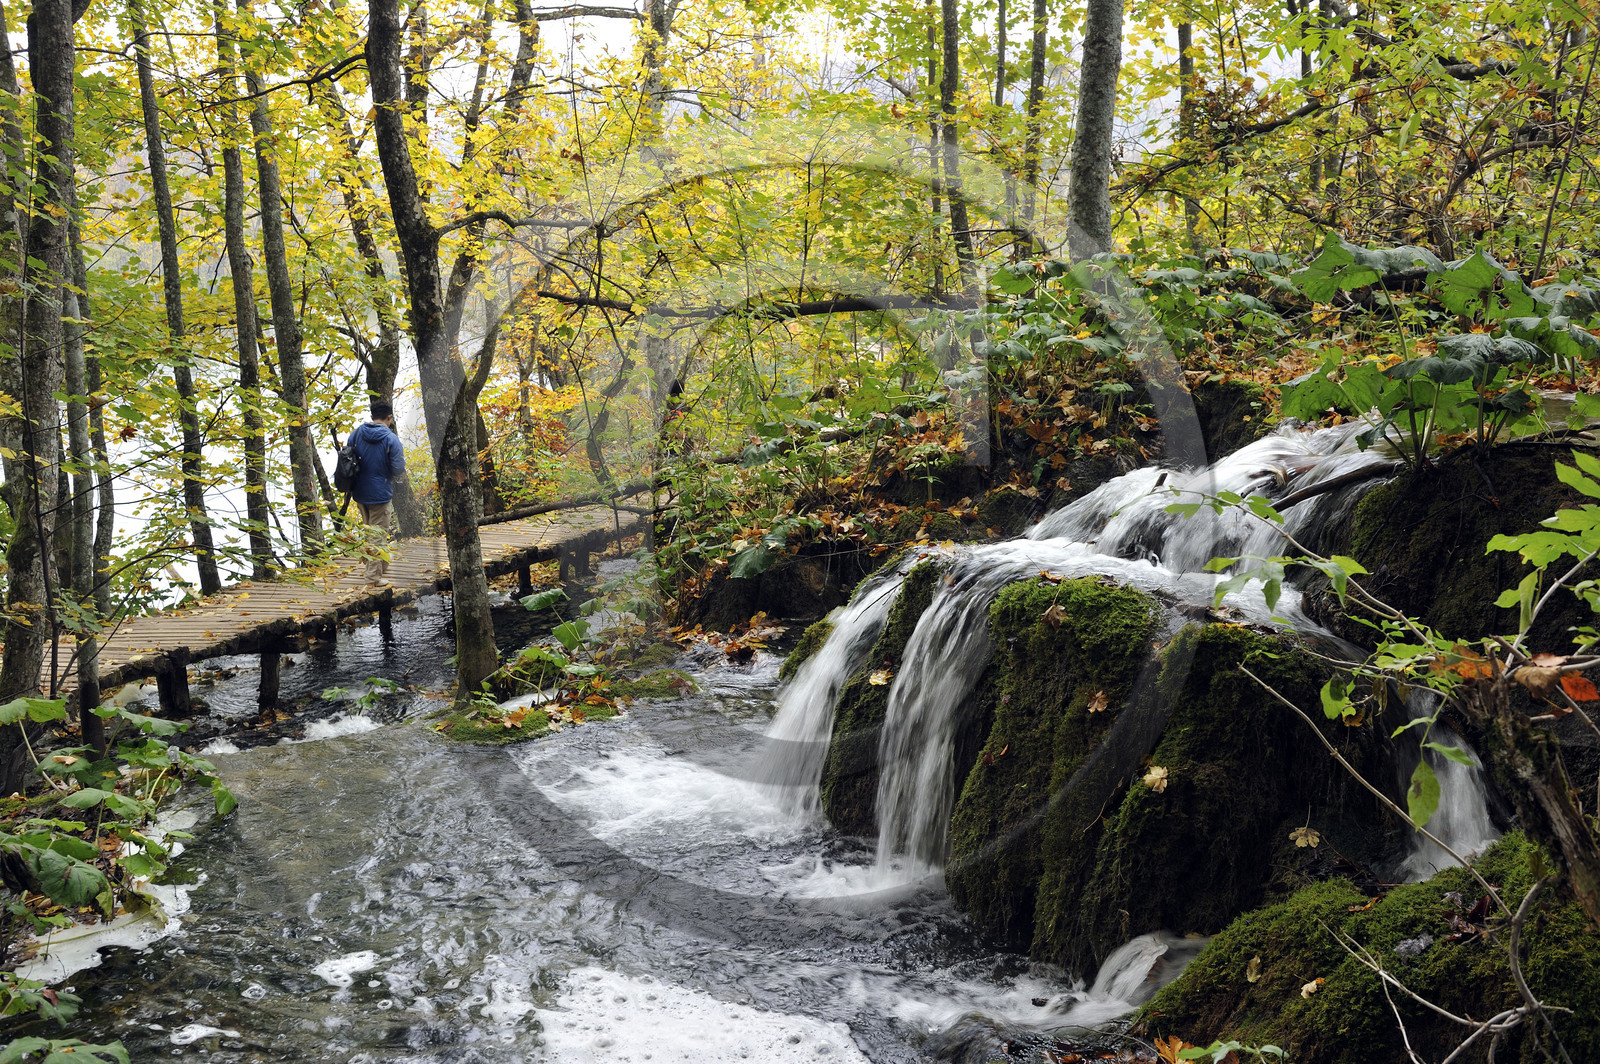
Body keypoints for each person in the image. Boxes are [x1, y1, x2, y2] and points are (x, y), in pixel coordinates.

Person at [349, 400, 407, 587]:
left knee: (369, 532)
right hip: (380, 493)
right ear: (389, 417)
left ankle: (379, 565)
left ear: (372, 416)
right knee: (378, 536)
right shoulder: (391, 439)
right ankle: (373, 578)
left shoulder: (356, 434)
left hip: (359, 491)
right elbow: (398, 469)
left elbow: (347, 458)